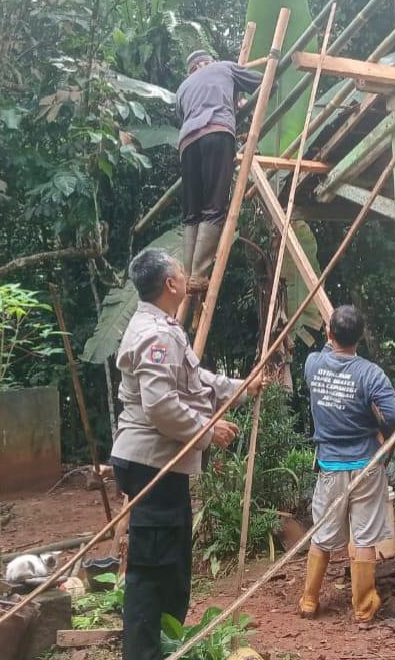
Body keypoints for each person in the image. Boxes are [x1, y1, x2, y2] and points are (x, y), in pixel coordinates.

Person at [110, 248, 259, 660]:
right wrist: (207, 432)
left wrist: (241, 388)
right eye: (178, 267)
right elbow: (160, 405)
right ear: (170, 284)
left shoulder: (162, 326)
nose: (184, 270)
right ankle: (144, 653)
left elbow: (194, 380)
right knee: (155, 569)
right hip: (151, 462)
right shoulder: (156, 334)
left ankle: (164, 645)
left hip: (159, 462)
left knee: (171, 565)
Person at [299, 305, 395, 623]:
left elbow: (323, 352)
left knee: (323, 533)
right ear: (360, 337)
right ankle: (363, 607)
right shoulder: (370, 373)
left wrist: (329, 334)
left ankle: (309, 600)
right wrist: (384, 437)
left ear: (329, 333)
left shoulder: (312, 365)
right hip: (366, 466)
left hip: (330, 466)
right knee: (364, 535)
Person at [175, 50, 263, 293]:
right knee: (214, 205)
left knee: (192, 213)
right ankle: (199, 274)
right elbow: (266, 81)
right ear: (209, 62)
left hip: (187, 144)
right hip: (216, 132)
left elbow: (186, 115)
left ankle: (189, 274)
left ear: (190, 69)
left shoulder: (183, 88)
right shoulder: (225, 67)